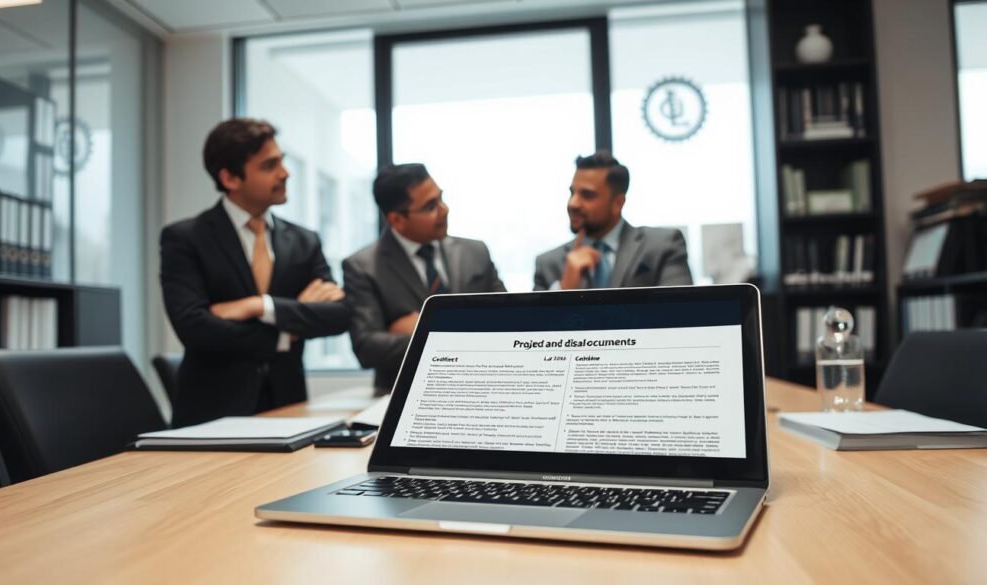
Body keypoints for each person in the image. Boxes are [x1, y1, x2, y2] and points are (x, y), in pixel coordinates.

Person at [160, 118, 350, 427]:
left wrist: (262, 306)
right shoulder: (185, 238)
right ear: (231, 178)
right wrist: (289, 327)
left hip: (288, 410)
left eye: (282, 162)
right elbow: (194, 328)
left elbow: (340, 315)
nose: (285, 173)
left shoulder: (304, 241)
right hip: (210, 418)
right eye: (269, 165)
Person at [343, 163, 506, 395]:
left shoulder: (476, 252)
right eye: (431, 206)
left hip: (482, 388)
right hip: (404, 395)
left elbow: (508, 320)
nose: (444, 209)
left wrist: (427, 326)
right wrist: (469, 328)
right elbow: (367, 348)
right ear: (397, 220)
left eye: (441, 198)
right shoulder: (363, 266)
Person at [533, 151, 692, 291]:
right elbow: (534, 324)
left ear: (618, 203)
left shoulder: (663, 245)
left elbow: (682, 314)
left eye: (587, 195)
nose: (572, 203)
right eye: (572, 193)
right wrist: (563, 290)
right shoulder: (547, 264)